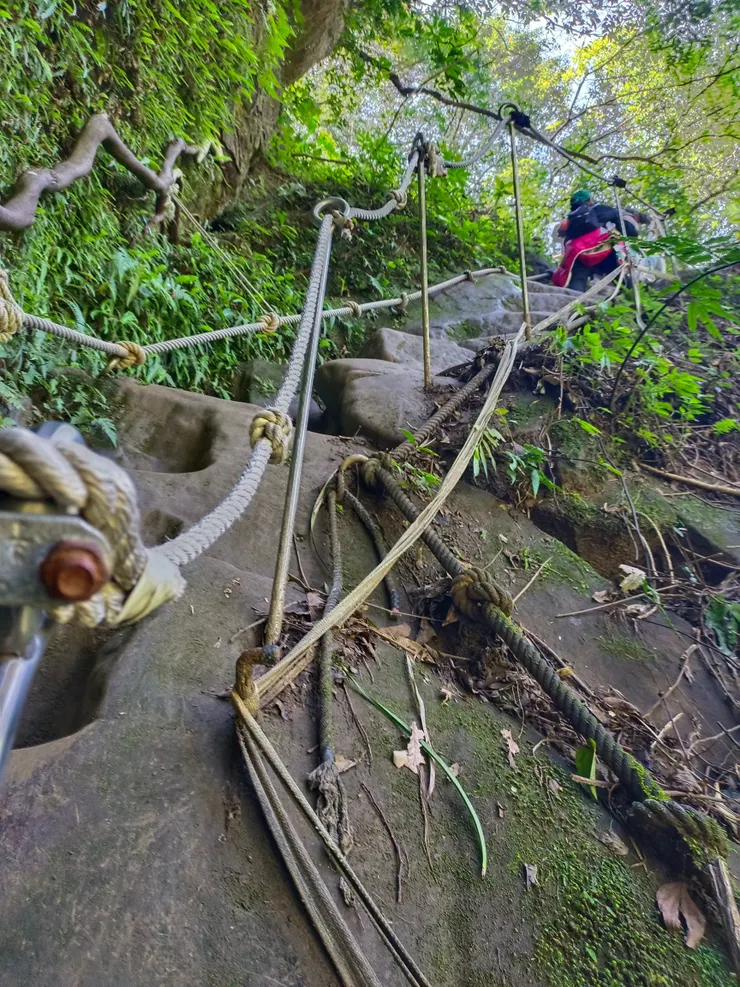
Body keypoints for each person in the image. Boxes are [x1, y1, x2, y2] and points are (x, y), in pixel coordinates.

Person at [552, 189, 649, 292]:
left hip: (579, 254)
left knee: (578, 279)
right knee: (618, 276)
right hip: (604, 252)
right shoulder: (600, 209)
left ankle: (573, 301)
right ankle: (633, 295)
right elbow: (630, 231)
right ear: (590, 200)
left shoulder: (571, 220)